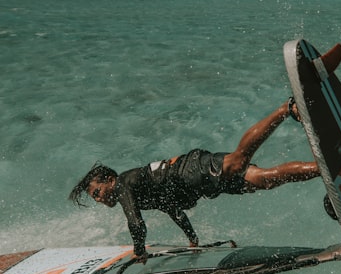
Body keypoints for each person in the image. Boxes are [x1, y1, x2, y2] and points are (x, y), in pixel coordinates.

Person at [69, 97, 321, 260]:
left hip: (192, 170)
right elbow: (171, 207)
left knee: (238, 159)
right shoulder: (139, 190)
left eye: (97, 193)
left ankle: (286, 108)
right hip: (199, 179)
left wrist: (139, 251)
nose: (100, 200)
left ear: (109, 180)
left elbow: (135, 223)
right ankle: (322, 168)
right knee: (264, 180)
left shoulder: (124, 185)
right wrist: (192, 238)